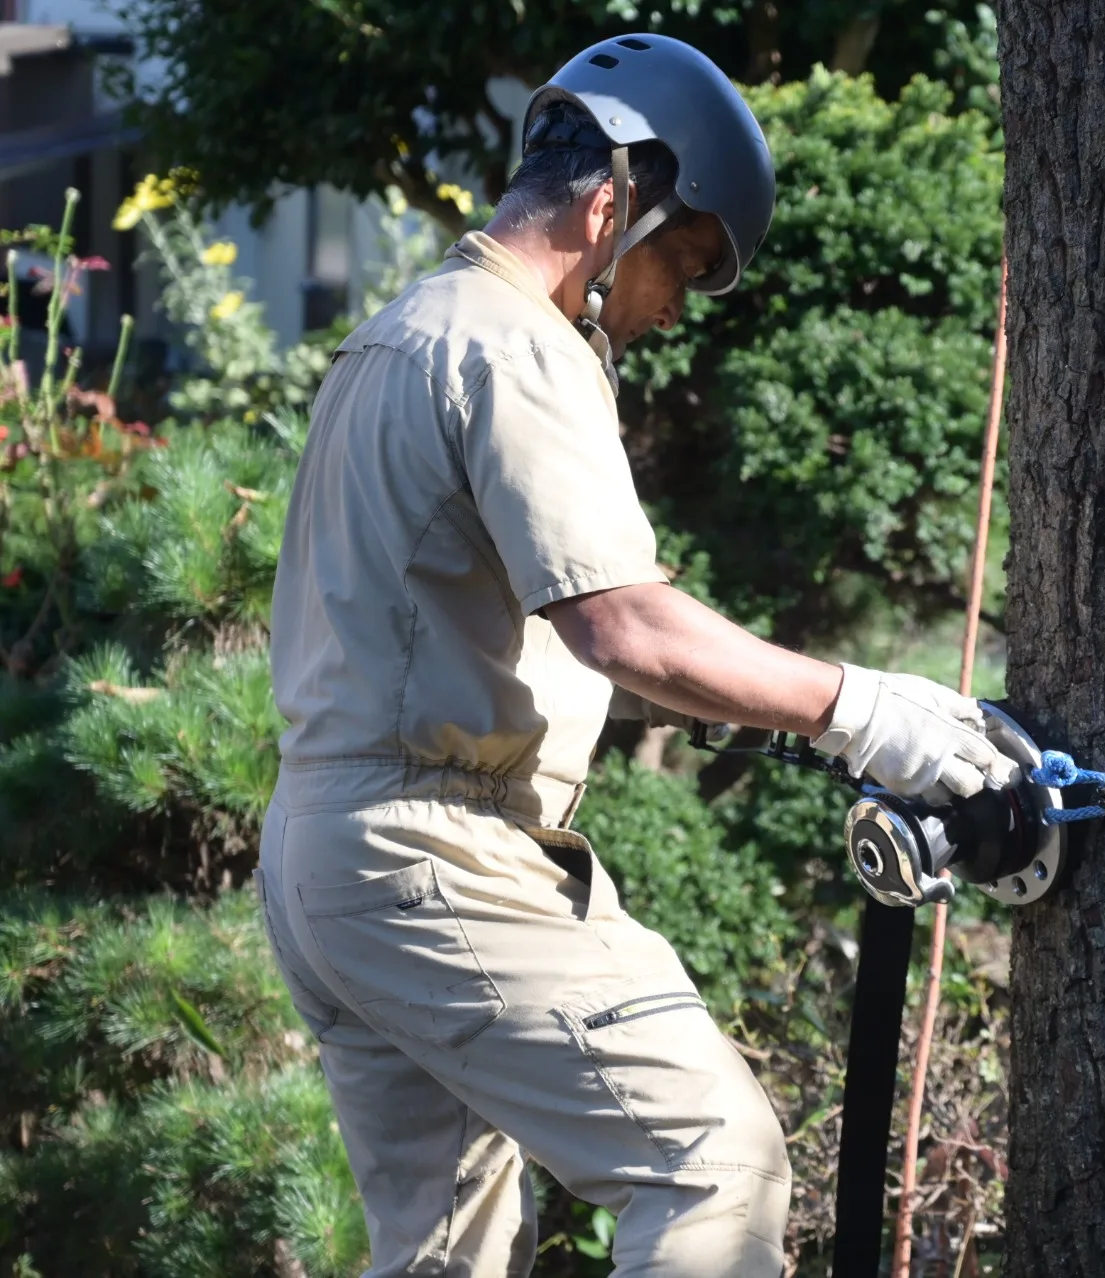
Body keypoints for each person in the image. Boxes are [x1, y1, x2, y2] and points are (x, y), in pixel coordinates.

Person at [257, 34, 1018, 1277]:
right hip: (432, 854)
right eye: (687, 261)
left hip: (322, 854)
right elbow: (623, 624)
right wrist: (864, 709)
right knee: (714, 1164)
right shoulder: (518, 345)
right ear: (616, 203)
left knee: (451, 1256)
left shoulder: (401, 331)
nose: (676, 310)